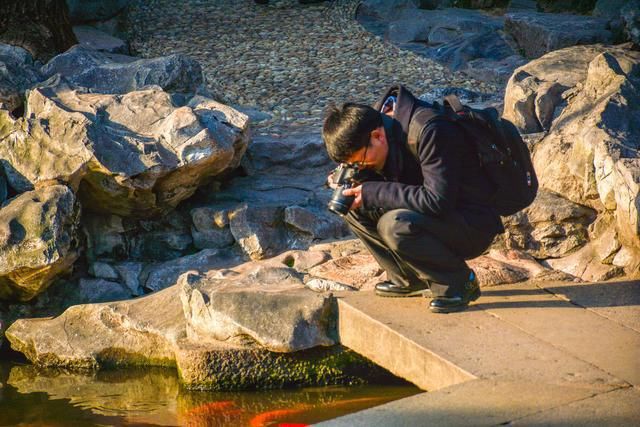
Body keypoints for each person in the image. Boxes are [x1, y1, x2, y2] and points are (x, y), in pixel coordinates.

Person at [322, 85, 504, 313]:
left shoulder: (431, 130)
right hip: (435, 218)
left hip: (471, 223)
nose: (360, 167)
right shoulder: (375, 126)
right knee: (352, 205)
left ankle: (458, 282)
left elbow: (437, 200)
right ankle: (407, 279)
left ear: (377, 136)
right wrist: (351, 181)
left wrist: (371, 191)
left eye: (359, 161)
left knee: (395, 225)